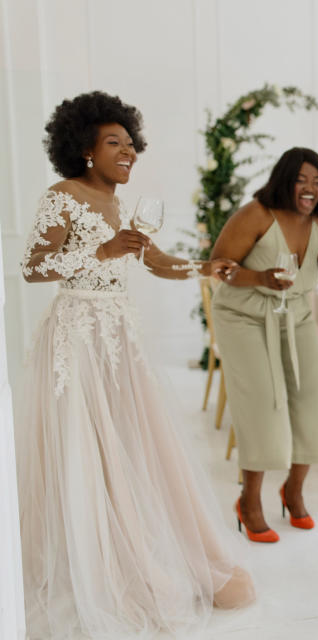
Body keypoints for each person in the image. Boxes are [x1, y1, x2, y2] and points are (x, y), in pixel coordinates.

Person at [16, 91, 254, 639]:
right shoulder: (64, 196)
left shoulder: (121, 206)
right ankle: (89, 564)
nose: (128, 152)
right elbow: (32, 267)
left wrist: (206, 266)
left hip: (119, 339)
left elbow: (156, 261)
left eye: (131, 143)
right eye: (114, 143)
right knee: (85, 448)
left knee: (130, 443)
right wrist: (100, 253)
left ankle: (132, 548)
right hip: (76, 337)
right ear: (84, 151)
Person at [211, 147, 318, 542]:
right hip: (244, 315)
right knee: (264, 405)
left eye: (317, 182)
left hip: (294, 312)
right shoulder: (256, 215)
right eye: (301, 180)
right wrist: (261, 278)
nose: (310, 189)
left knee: (311, 399)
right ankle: (248, 501)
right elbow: (220, 267)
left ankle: (293, 491)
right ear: (284, 179)